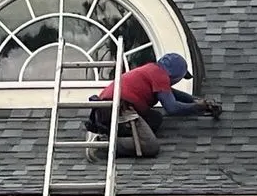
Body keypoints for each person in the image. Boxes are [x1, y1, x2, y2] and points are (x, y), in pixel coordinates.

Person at [83, 52, 215, 161]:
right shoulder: (160, 75)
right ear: (175, 75)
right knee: (150, 146)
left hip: (106, 109)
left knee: (154, 118)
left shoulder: (151, 71)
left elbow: (174, 94)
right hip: (119, 108)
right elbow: (172, 107)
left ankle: (111, 137)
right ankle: (101, 143)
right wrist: (198, 107)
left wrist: (199, 101)